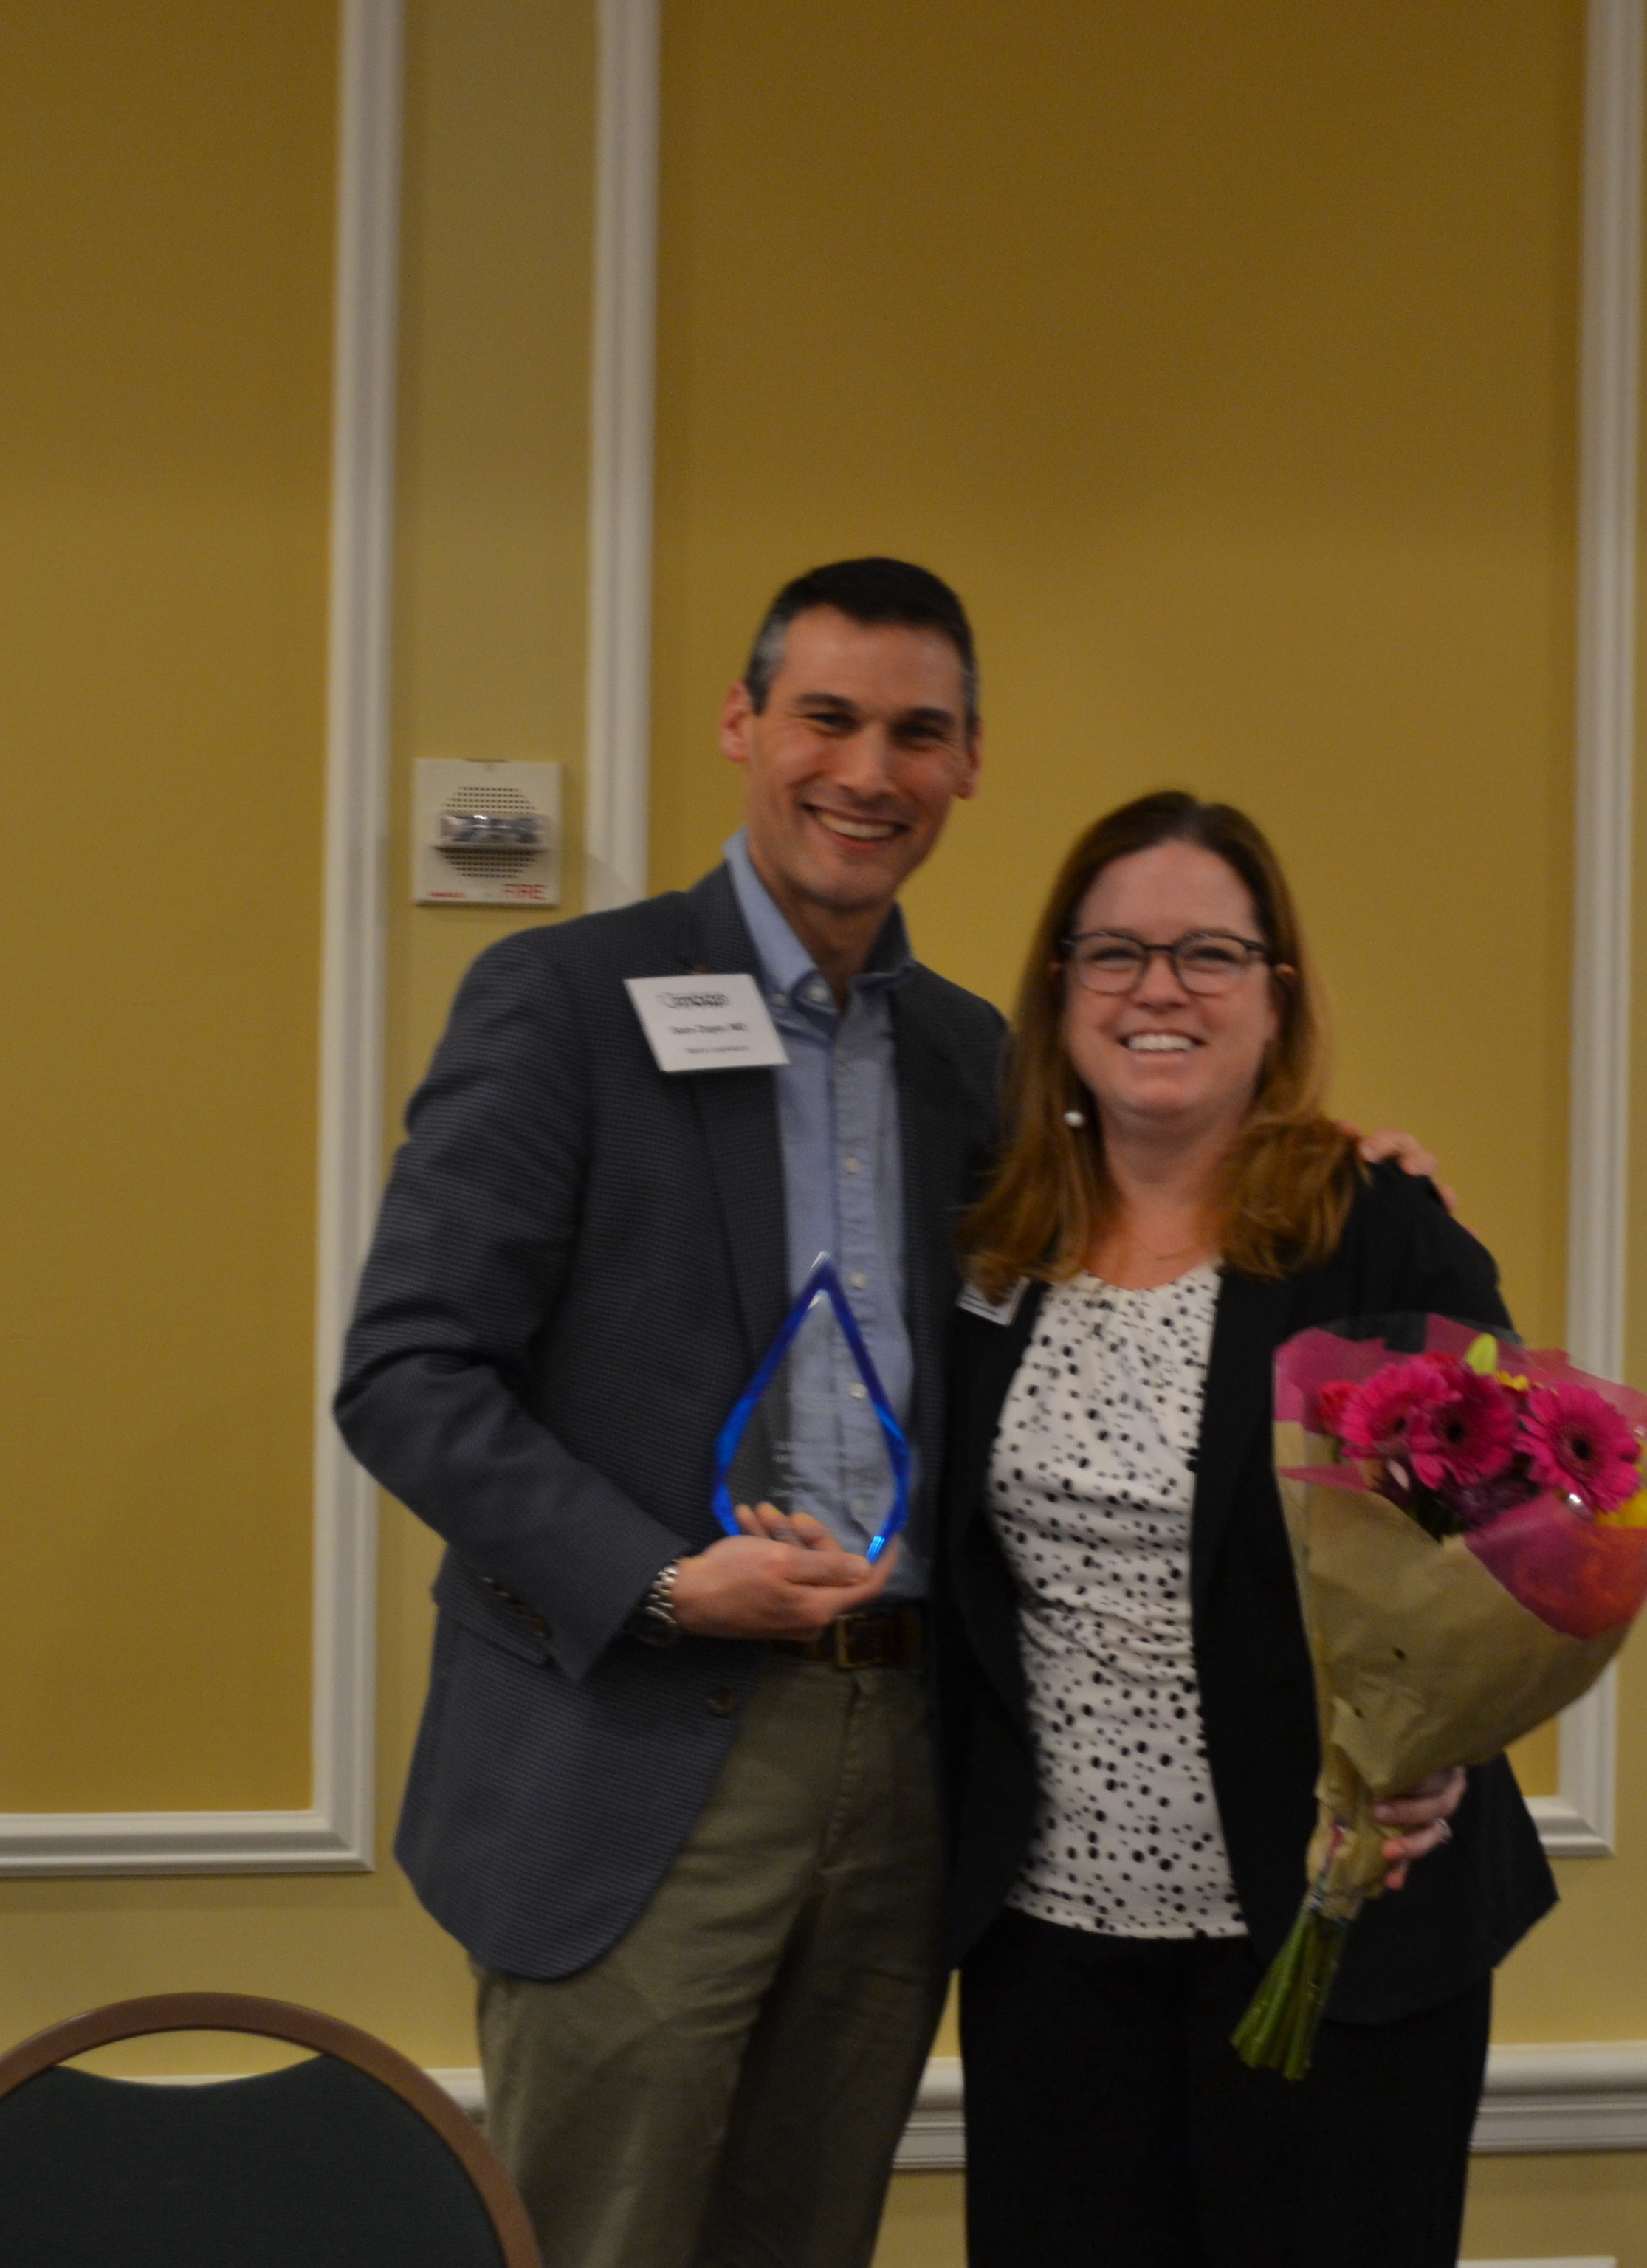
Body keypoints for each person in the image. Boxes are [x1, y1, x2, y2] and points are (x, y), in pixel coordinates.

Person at [337, 558, 998, 2268]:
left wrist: (1347, 1173)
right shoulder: (563, 1004)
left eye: (917, 733)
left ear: (969, 767)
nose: (869, 771)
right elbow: (407, 1372)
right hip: (638, 1737)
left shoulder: (974, 1060)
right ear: (740, 725)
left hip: (903, 1754)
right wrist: (657, 1578)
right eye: (828, 718)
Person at [934, 791, 1561, 2268]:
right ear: (1059, 989)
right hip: (1051, 1949)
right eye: (1115, 954)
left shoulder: (1378, 1229)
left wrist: (1443, 1749)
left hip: (1334, 1934)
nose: (1160, 990)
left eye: (1210, 953)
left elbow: (1524, 1536)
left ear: (1277, 997)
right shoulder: (989, 1239)